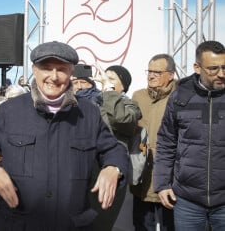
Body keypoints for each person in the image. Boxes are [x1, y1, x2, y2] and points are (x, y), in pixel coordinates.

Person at [0, 41, 128, 231]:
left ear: (71, 72)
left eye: (61, 69)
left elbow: (114, 149)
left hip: (73, 225)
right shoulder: (10, 110)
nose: (54, 76)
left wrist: (113, 168)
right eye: (46, 68)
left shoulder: (89, 113)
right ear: (34, 70)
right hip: (18, 224)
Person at [154, 40, 225, 230]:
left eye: (224, 67)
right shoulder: (179, 98)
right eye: (213, 68)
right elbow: (166, 143)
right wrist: (162, 184)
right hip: (187, 200)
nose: (221, 74)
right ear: (197, 67)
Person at [72, 64, 142, 231]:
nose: (105, 81)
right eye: (104, 78)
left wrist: (109, 92)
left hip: (108, 170)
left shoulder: (129, 105)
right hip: (80, 171)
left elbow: (122, 120)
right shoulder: (78, 103)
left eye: (111, 79)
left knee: (100, 223)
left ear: (123, 85)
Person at [130, 54, 177, 231]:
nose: (151, 76)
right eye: (149, 71)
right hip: (142, 174)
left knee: (170, 226)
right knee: (141, 225)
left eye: (157, 72)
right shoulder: (138, 96)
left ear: (171, 75)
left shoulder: (180, 97)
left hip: (169, 177)